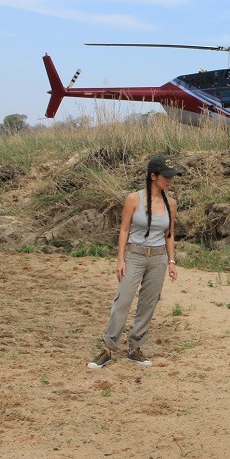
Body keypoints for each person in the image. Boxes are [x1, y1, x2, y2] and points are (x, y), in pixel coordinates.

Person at [88, 156, 180, 369]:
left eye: (171, 177)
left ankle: (135, 348)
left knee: (149, 302)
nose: (170, 181)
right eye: (166, 177)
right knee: (123, 300)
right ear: (153, 176)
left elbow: (170, 235)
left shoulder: (171, 204)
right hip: (134, 255)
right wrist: (120, 259)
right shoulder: (133, 199)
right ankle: (108, 348)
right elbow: (124, 229)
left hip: (158, 258)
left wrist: (171, 262)